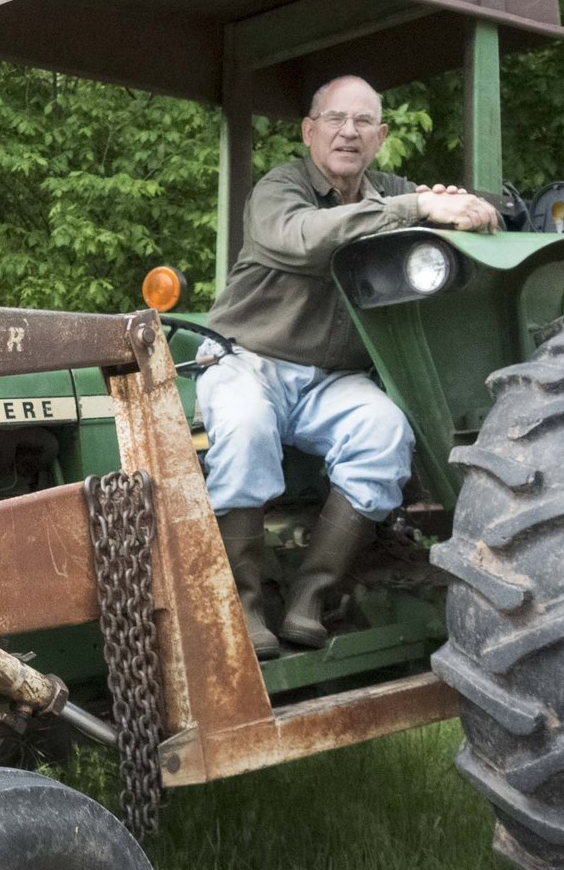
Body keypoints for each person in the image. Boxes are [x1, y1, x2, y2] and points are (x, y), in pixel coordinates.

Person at [200, 75, 498, 654]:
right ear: (310, 131)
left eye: (363, 122)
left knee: (384, 433)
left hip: (330, 380)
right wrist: (416, 207)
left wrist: (476, 211)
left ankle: (312, 598)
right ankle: (243, 604)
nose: (348, 132)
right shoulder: (280, 188)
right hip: (248, 360)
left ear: (381, 135)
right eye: (335, 119)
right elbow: (306, 239)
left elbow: (450, 228)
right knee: (243, 427)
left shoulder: (388, 189)